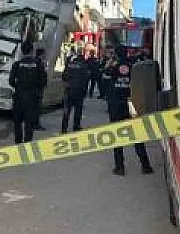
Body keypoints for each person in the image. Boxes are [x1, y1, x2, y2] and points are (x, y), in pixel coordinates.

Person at [102, 47, 154, 176]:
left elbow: (103, 79)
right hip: (132, 104)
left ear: (116, 55)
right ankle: (145, 165)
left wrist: (110, 63)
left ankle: (120, 167)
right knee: (137, 136)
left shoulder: (113, 67)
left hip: (116, 105)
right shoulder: (134, 67)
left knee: (117, 136)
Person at [9, 41, 46, 144]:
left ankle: (18, 143)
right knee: (29, 123)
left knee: (17, 122)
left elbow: (11, 81)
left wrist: (19, 87)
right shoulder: (38, 65)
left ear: (22, 51)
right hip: (33, 98)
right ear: (32, 51)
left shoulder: (16, 65)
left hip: (19, 97)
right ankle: (27, 144)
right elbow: (43, 81)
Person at [61, 52, 91, 133]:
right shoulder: (83, 66)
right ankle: (76, 126)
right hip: (79, 91)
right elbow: (86, 78)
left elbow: (64, 76)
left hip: (69, 90)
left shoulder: (69, 65)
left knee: (66, 111)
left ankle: (64, 128)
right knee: (78, 111)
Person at [33, 48, 48, 131]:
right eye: (44, 54)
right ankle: (36, 124)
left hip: (32, 88)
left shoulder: (33, 62)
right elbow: (42, 76)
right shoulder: (40, 63)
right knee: (37, 108)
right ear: (41, 54)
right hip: (38, 89)